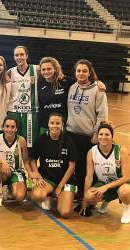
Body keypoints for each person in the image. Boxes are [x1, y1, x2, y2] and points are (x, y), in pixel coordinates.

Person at [66, 59, 108, 201]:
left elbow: (102, 114)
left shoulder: (98, 90)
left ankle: (90, 196)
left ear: (90, 72)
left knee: (88, 167)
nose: (81, 73)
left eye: (84, 71)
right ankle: (79, 190)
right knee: (75, 165)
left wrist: (97, 133)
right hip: (71, 133)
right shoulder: (72, 87)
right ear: (75, 72)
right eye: (78, 70)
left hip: (88, 135)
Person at [38, 57, 106, 134]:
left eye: (49, 69)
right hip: (44, 125)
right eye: (43, 69)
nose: (46, 71)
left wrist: (97, 82)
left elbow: (82, 80)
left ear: (55, 69)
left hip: (62, 126)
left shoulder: (66, 82)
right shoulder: (39, 82)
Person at [29, 113, 78, 218]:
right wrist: (37, 176)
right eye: (52, 123)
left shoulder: (68, 141)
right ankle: (48, 195)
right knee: (38, 195)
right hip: (48, 179)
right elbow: (32, 160)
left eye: (57, 123)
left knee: (65, 213)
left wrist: (60, 187)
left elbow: (72, 166)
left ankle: (60, 196)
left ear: (62, 125)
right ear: (48, 124)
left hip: (66, 181)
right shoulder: (41, 139)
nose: (55, 126)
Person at [81, 123, 130, 223]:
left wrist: (106, 187)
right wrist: (84, 201)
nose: (103, 137)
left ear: (112, 136)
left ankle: (127, 208)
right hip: (104, 183)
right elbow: (89, 177)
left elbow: (127, 177)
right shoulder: (92, 152)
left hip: (122, 184)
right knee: (89, 196)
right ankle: (106, 200)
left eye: (107, 134)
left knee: (125, 192)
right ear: (97, 135)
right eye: (101, 134)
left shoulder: (121, 151)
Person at [0, 116, 36, 207]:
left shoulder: (21, 140)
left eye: (12, 127)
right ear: (3, 127)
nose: (9, 129)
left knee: (19, 197)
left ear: (16, 128)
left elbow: (25, 161)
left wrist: (30, 173)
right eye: (7, 126)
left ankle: (10, 188)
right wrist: (2, 162)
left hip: (16, 172)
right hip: (2, 172)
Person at [7, 45, 39, 148]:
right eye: (16, 55)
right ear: (13, 57)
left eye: (22, 54)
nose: (19, 57)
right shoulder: (10, 72)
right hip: (13, 111)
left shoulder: (36, 69)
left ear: (27, 56)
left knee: (29, 144)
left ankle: (27, 163)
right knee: (13, 142)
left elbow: (52, 71)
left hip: (31, 112)